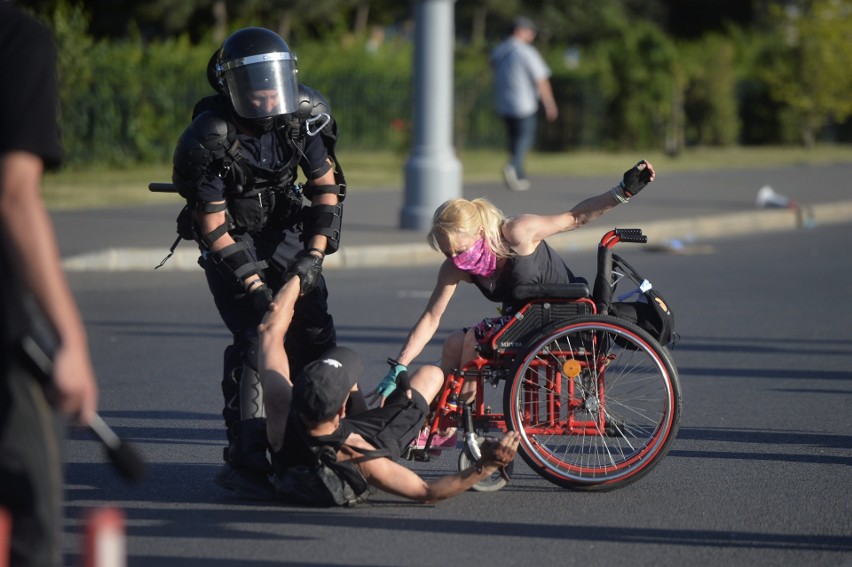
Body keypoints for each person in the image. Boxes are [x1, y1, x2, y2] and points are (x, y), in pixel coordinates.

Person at [170, 27, 347, 498]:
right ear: (232, 87)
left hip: (290, 233)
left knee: (314, 331)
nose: (268, 93)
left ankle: (334, 438)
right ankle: (246, 459)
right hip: (234, 236)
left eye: (275, 80)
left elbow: (326, 190)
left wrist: (313, 257)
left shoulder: (300, 120)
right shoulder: (211, 139)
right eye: (255, 83)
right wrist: (253, 284)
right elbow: (211, 224)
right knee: (255, 336)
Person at [370, 160, 655, 441]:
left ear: (481, 232)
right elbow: (431, 317)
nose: (457, 259)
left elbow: (575, 217)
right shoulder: (456, 268)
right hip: (523, 323)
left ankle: (459, 417)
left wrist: (622, 191)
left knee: (473, 341)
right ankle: (425, 418)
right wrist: (399, 364)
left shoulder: (518, 232)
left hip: (563, 317)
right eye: (448, 253)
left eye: (461, 249)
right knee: (453, 344)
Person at [257, 277, 521, 505]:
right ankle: (433, 428)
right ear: (342, 408)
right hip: (380, 436)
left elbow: (269, 330)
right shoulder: (359, 454)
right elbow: (426, 492)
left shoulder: (280, 407)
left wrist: (297, 277)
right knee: (430, 375)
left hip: (311, 443)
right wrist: (484, 467)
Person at [0, 4, 100, 565]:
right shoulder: (17, 39)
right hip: (5, 339)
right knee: (31, 523)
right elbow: (14, 194)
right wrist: (70, 338)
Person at [490, 16, 558, 192]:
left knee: (513, 139)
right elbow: (541, 79)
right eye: (530, 31)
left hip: (504, 102)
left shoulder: (499, 50)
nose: (533, 34)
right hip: (524, 103)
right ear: (519, 31)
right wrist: (549, 103)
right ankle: (513, 167)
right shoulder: (526, 52)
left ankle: (518, 174)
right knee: (524, 138)